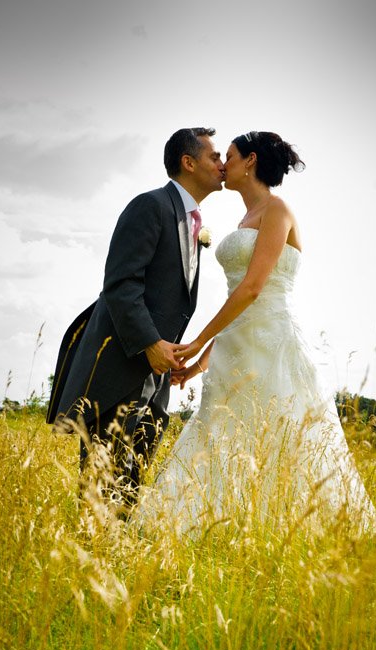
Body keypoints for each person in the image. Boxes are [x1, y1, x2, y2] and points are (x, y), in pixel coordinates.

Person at [132, 130, 376, 537]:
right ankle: (222, 531)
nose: (222, 165)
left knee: (281, 440)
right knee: (224, 437)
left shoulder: (277, 210)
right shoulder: (243, 220)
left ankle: (289, 533)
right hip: (237, 347)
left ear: (250, 161)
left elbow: (252, 290)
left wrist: (197, 340)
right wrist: (200, 364)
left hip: (274, 346)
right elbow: (239, 308)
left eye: (228, 156)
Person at [46, 127, 225, 508]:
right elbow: (121, 284)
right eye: (214, 156)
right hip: (123, 364)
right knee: (102, 479)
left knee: (132, 480)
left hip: (156, 374)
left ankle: (120, 545)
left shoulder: (191, 221)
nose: (222, 164)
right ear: (188, 162)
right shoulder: (150, 205)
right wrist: (149, 343)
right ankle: (92, 544)